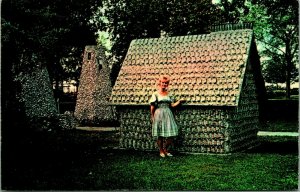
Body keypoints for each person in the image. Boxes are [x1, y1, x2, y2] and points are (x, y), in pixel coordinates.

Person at [149, 75, 186, 157]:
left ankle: (165, 149)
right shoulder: (155, 94)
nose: (164, 84)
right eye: (163, 82)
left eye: (166, 83)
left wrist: (179, 101)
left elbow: (172, 105)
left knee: (171, 134)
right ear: (160, 83)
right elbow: (152, 106)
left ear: (167, 84)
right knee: (160, 135)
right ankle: (161, 151)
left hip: (168, 113)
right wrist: (152, 116)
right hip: (158, 113)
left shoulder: (169, 94)